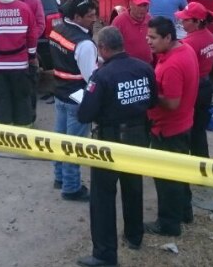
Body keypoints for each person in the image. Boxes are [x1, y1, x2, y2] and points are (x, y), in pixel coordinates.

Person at [76, 27, 156, 267]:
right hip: (138, 136)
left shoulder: (101, 76)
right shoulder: (144, 67)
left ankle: (104, 254)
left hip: (110, 142)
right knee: (133, 187)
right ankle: (134, 235)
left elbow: (84, 114)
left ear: (102, 49)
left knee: (102, 197)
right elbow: (152, 100)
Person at [144, 16, 199, 237]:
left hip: (168, 130)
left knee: (166, 179)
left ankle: (168, 224)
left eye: (153, 38)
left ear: (168, 37)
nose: (149, 41)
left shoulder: (173, 64)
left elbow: (173, 103)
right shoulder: (184, 49)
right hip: (183, 125)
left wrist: (151, 95)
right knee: (180, 173)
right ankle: (185, 212)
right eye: (147, 36)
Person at [50, 0, 99, 201]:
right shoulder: (85, 44)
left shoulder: (57, 30)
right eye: (89, 16)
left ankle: (59, 177)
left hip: (60, 94)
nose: (94, 18)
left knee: (60, 140)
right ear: (77, 17)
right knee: (74, 146)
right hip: (77, 99)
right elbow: (91, 77)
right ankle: (71, 188)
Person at [176, 2, 213, 158]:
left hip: (194, 89)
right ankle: (202, 165)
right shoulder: (210, 36)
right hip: (206, 87)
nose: (182, 22)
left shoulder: (189, 43)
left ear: (197, 21)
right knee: (200, 130)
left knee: (186, 129)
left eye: (186, 20)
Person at [11, 0, 47, 123]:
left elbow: (40, 25)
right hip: (9, 54)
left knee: (28, 88)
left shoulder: (33, 1)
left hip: (27, 53)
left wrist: (28, 41)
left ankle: (30, 119)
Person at [110, 0, 153, 64]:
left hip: (147, 65)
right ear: (130, 4)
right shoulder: (119, 22)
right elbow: (111, 46)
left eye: (145, 5)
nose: (142, 9)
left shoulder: (150, 20)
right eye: (139, 5)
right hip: (127, 67)